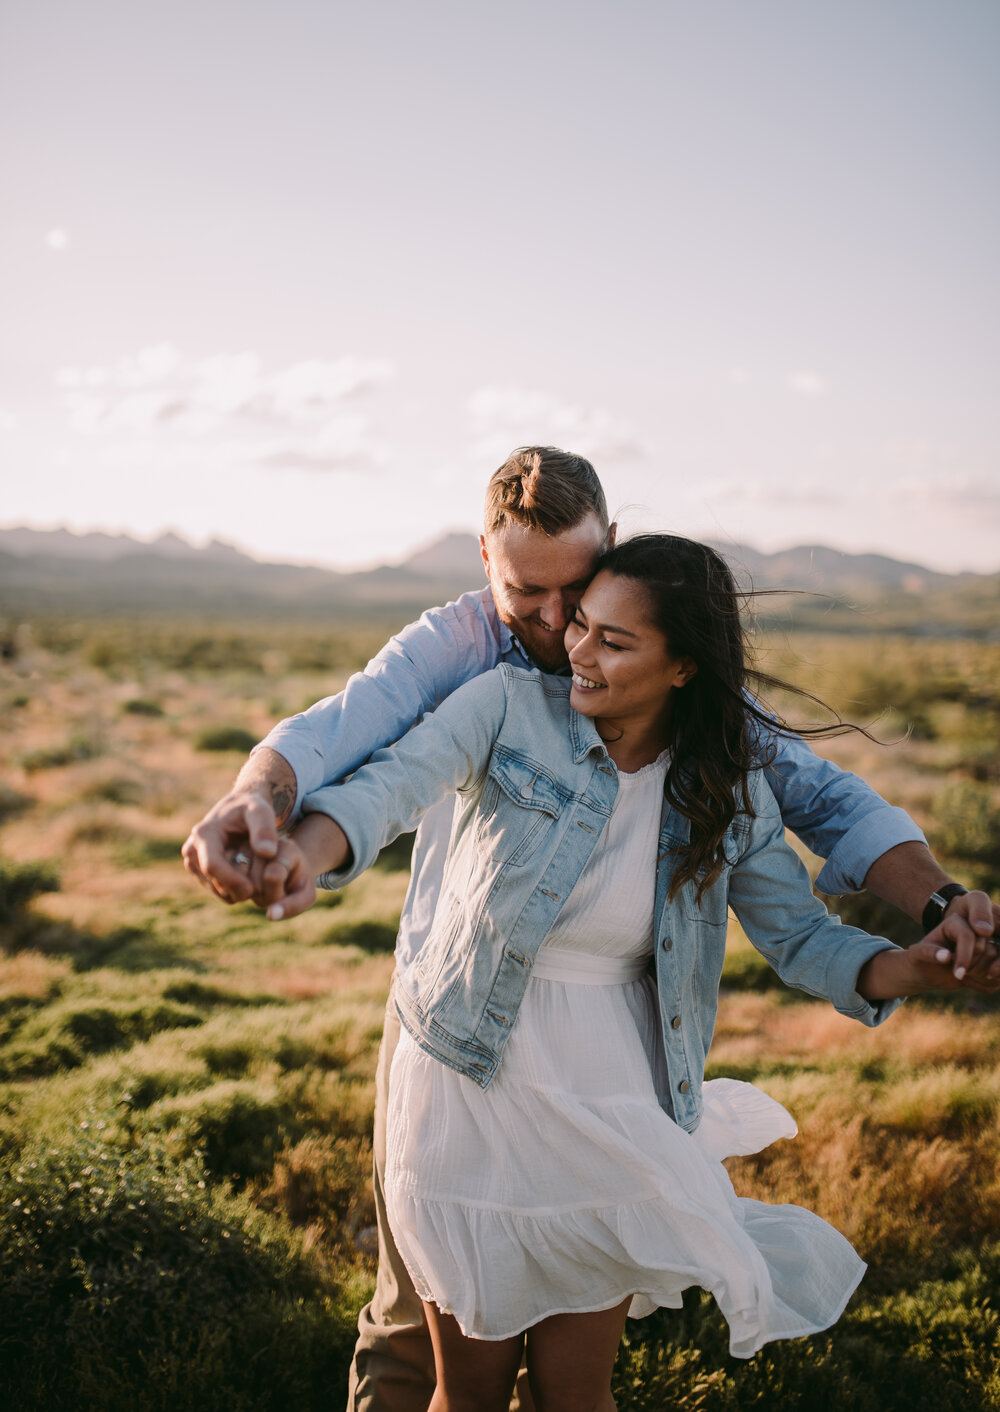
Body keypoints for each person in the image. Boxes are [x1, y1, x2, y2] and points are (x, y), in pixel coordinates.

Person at [182, 447, 1000, 1412]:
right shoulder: (467, 664)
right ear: (485, 558)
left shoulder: (716, 752)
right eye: (533, 593)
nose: (562, 627)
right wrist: (273, 827)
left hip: (611, 1069)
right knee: (421, 1344)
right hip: (460, 1034)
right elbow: (366, 769)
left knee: (575, 1387)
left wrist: (941, 917)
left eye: (588, 601)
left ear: (613, 558)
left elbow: (817, 834)